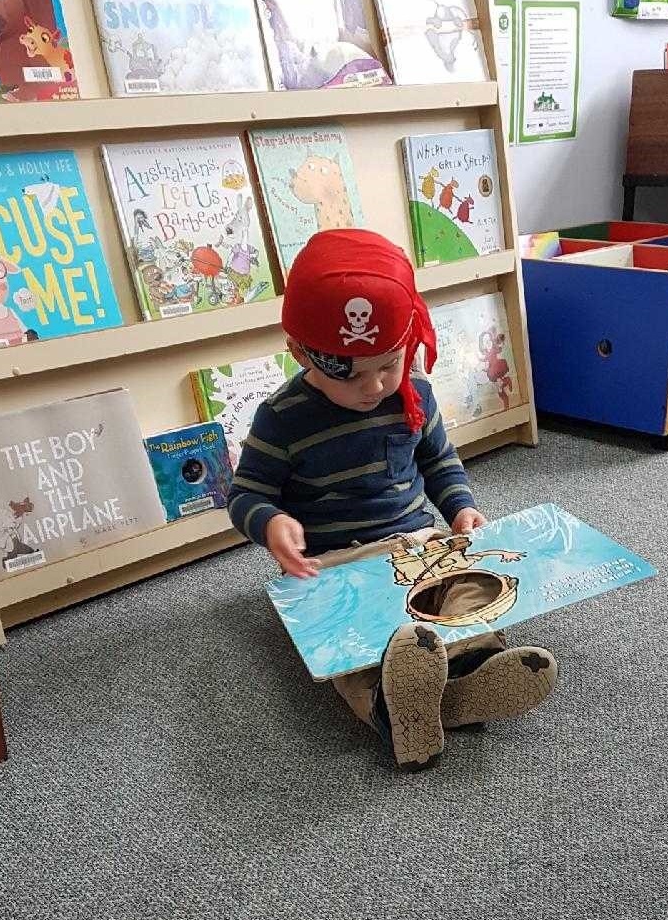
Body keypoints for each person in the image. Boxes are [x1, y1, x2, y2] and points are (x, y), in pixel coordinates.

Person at [228, 230, 556, 770]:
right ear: (298, 352)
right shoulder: (281, 417)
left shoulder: (416, 394)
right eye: (351, 373)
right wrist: (271, 523)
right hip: (334, 561)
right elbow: (247, 493)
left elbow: (439, 461)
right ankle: (392, 705)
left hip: (418, 543)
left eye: (388, 364)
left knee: (468, 591)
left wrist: (460, 508)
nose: (374, 385)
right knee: (356, 643)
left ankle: (475, 668)